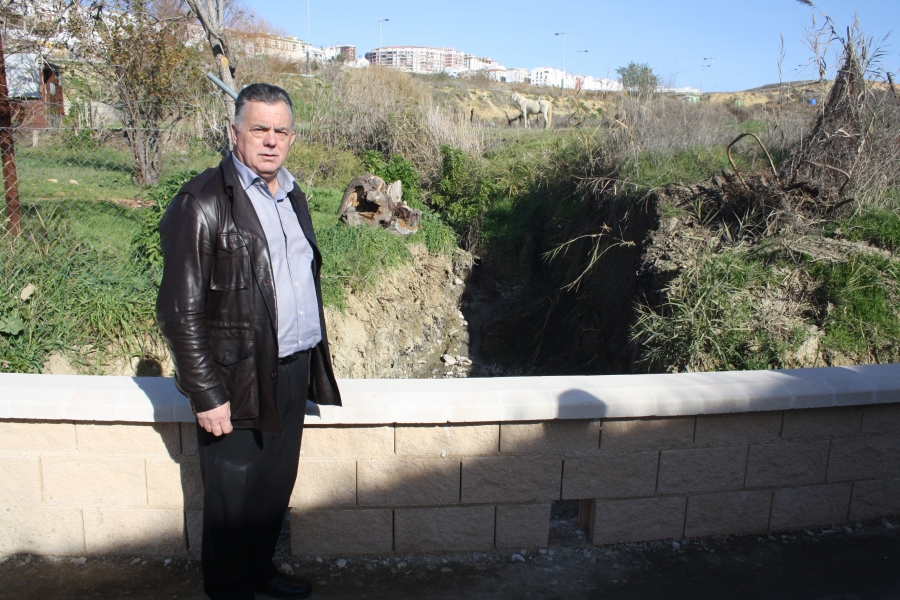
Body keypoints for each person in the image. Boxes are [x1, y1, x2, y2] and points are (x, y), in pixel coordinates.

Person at [156, 83, 341, 600]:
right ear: (235, 132)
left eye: (280, 131)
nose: (270, 141)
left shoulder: (292, 194)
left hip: (292, 366)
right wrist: (205, 392)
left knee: (272, 487)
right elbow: (178, 310)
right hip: (234, 376)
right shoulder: (202, 202)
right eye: (259, 129)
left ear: (293, 137)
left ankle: (259, 573)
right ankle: (229, 590)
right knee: (231, 494)